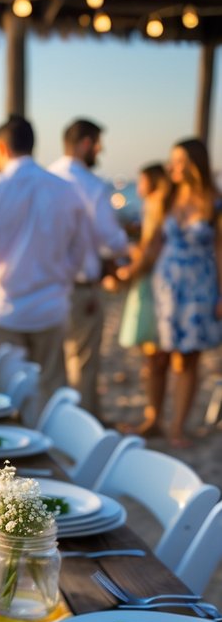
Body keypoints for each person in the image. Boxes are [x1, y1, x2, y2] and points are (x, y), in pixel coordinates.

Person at [0, 115, 88, 408]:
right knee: (50, 404)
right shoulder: (67, 190)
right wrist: (59, 283)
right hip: (50, 311)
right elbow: (79, 254)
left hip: (0, 313)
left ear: (1, 147)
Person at [117, 138, 222, 447]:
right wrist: (130, 274)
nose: (171, 167)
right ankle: (153, 419)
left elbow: (220, 249)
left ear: (193, 163)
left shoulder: (214, 202)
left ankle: (177, 426)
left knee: (188, 359)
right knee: (156, 356)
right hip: (163, 287)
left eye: (178, 161)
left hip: (199, 286)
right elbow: (151, 244)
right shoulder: (166, 198)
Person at [48, 119, 129, 418]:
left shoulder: (47, 178)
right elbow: (111, 240)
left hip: (47, 287)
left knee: (53, 365)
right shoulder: (91, 185)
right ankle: (83, 430)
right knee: (82, 363)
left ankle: (56, 424)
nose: (100, 150)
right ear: (84, 143)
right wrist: (127, 246)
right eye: (97, 143)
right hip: (80, 288)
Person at [116, 163, 170, 352]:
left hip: (153, 275)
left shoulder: (155, 203)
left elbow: (153, 246)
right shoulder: (160, 202)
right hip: (159, 273)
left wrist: (130, 269)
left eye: (142, 181)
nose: (138, 186)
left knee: (151, 341)